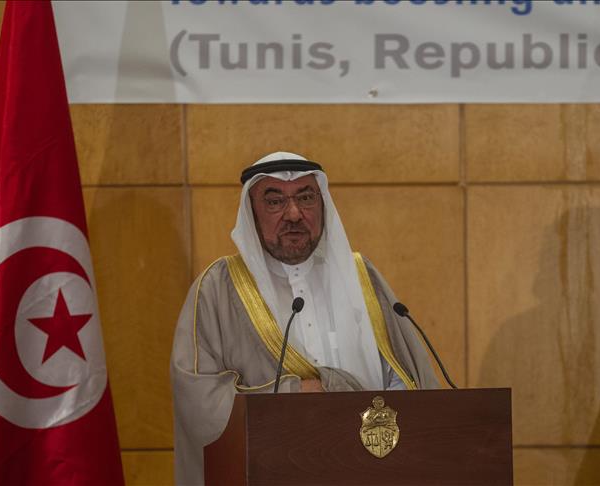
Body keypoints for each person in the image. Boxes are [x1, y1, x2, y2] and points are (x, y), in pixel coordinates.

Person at [170, 151, 441, 485]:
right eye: (275, 202)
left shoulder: (361, 277)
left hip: (366, 472)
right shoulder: (218, 288)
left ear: (322, 204)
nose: (294, 214)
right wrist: (294, 393)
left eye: (306, 197)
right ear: (251, 212)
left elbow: (408, 382)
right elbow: (198, 400)